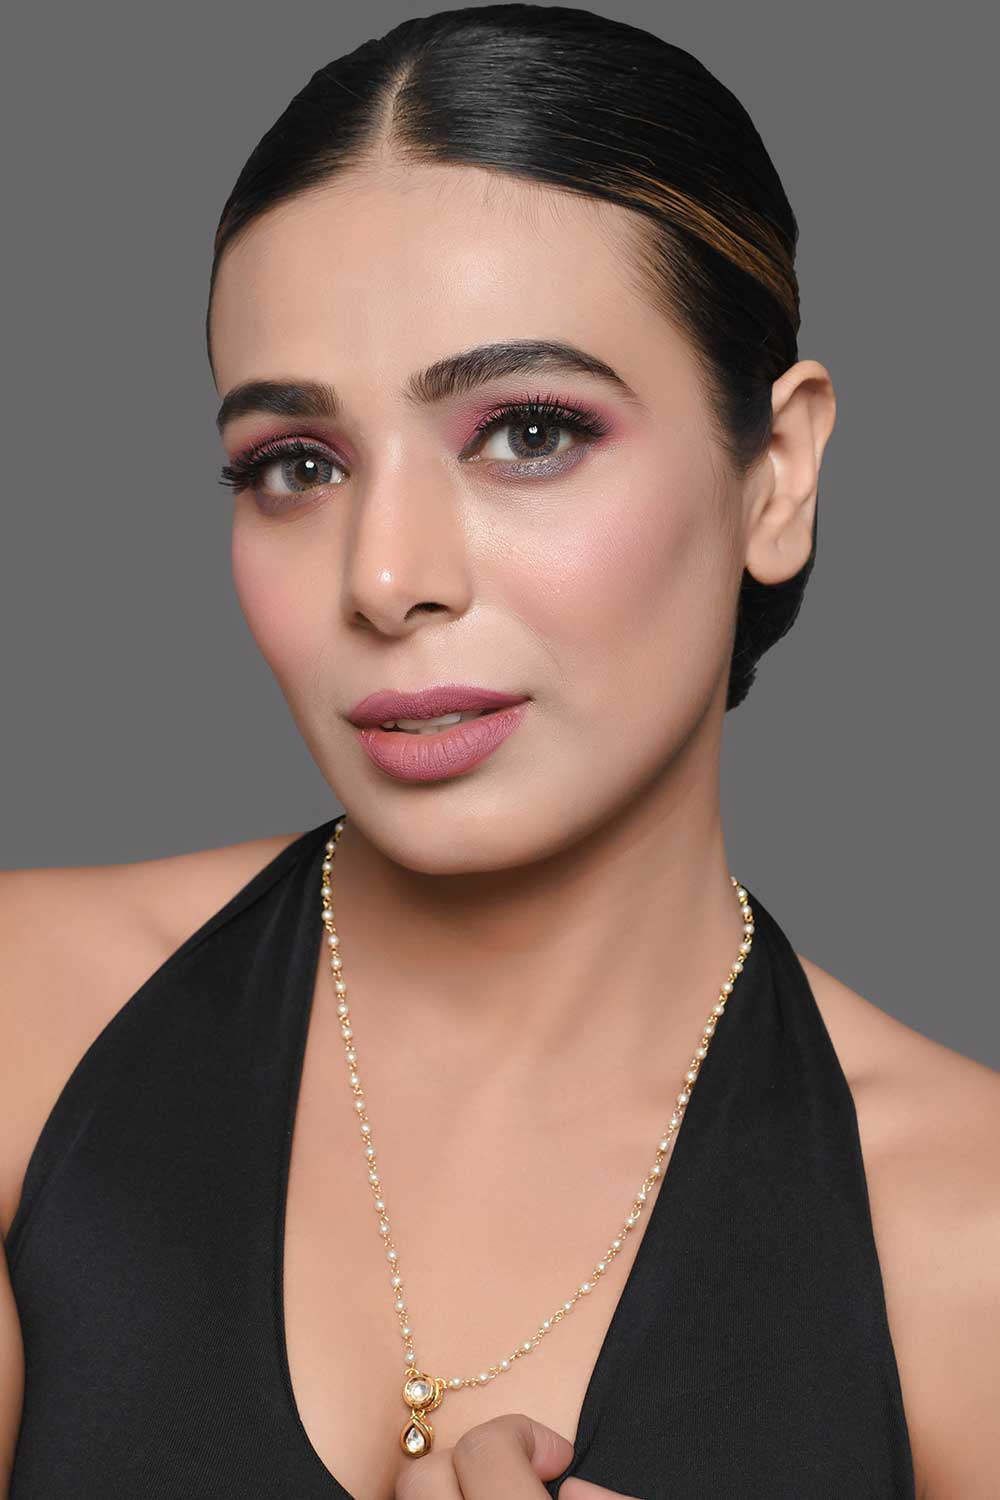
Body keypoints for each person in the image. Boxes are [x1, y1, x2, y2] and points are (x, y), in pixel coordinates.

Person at [1, 5, 997, 1497]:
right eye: (296, 465)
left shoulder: (968, 1243)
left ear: (776, 477)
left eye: (529, 433)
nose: (385, 577)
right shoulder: (24, 1022)